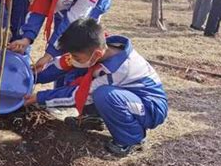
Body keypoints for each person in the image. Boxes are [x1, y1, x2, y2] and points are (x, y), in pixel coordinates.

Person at [24, 18, 168, 157]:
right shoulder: (96, 49)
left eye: (77, 57)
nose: (74, 59)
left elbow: (79, 94)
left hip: (150, 107)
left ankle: (132, 138)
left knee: (104, 95)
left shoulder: (117, 69)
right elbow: (64, 63)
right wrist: (32, 77)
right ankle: (93, 117)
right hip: (127, 96)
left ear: (97, 54)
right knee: (83, 73)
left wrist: (38, 97)